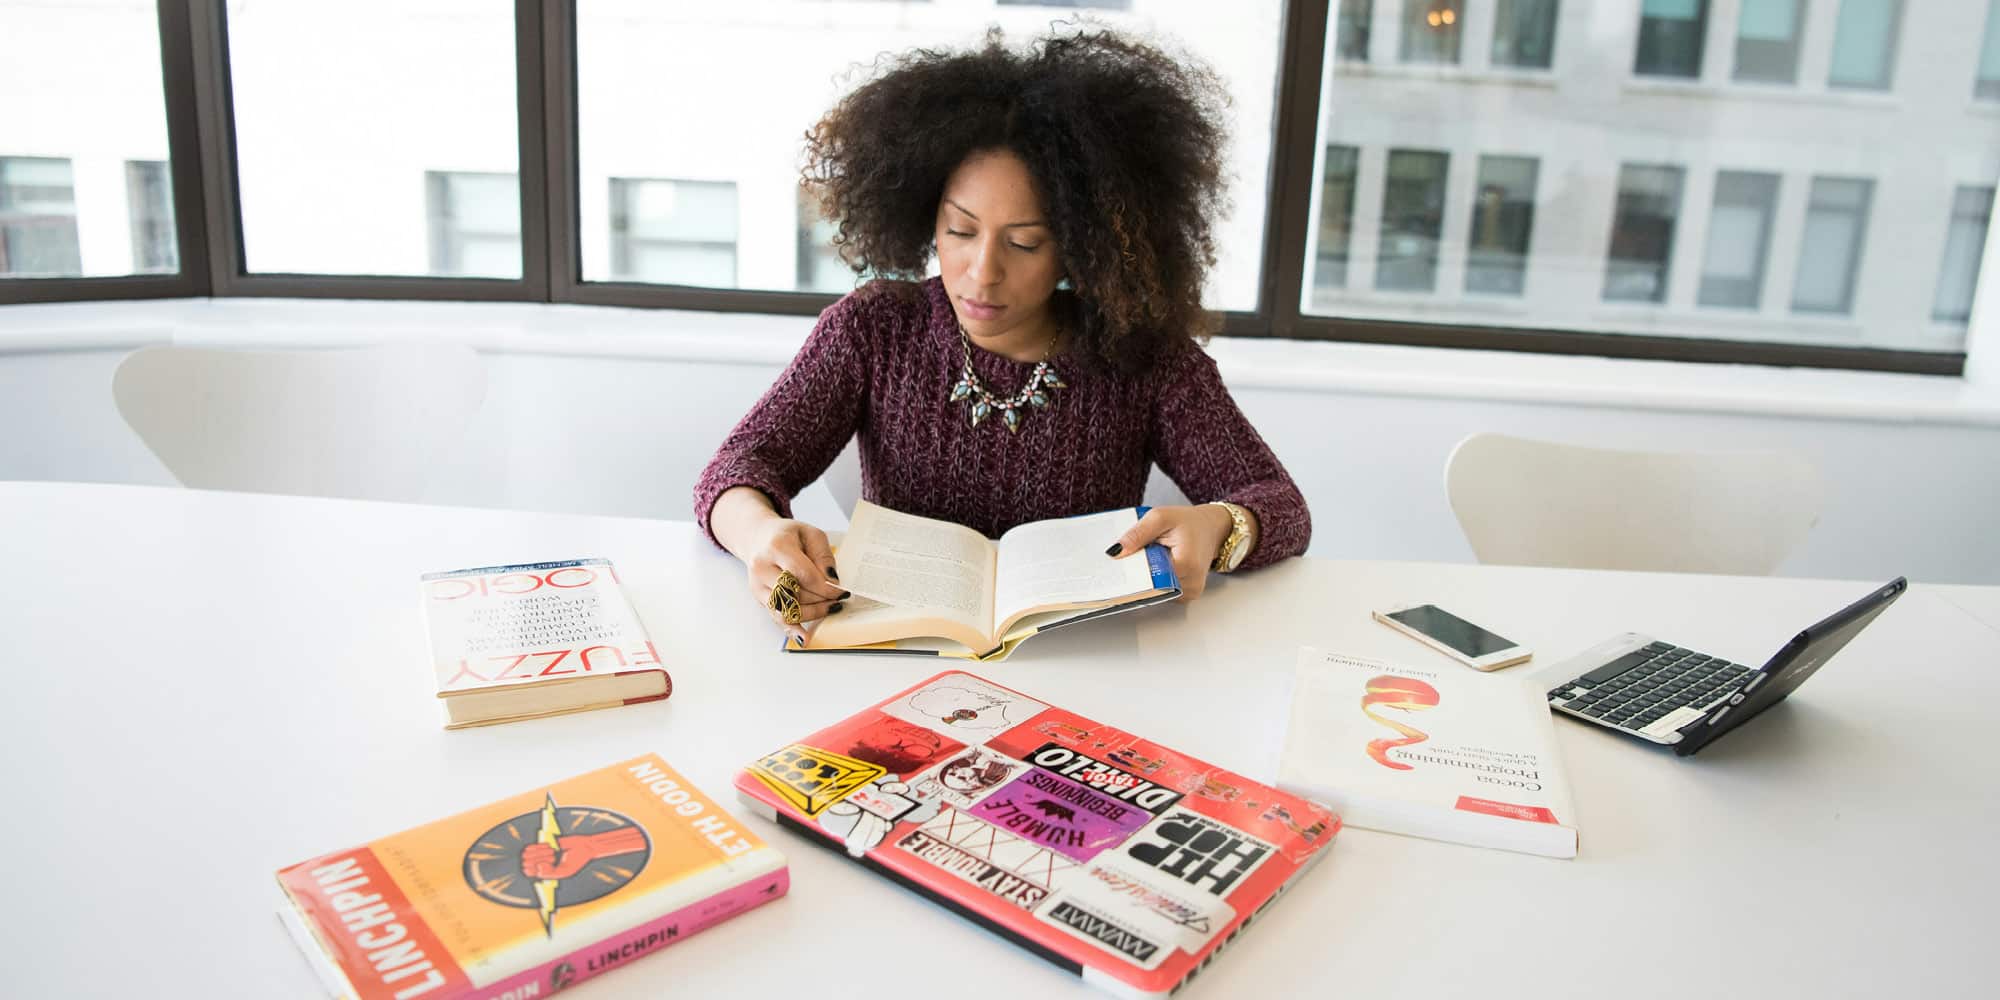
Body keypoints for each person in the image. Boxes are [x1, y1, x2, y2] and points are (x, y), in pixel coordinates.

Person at [694, 26, 1310, 643]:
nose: (983, 272)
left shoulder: (1144, 358)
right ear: (924, 216)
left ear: (1080, 249)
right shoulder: (873, 329)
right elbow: (737, 469)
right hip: (895, 653)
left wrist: (1221, 527)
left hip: (1087, 663)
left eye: (1024, 243)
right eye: (961, 231)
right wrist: (758, 536)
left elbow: (1281, 506)